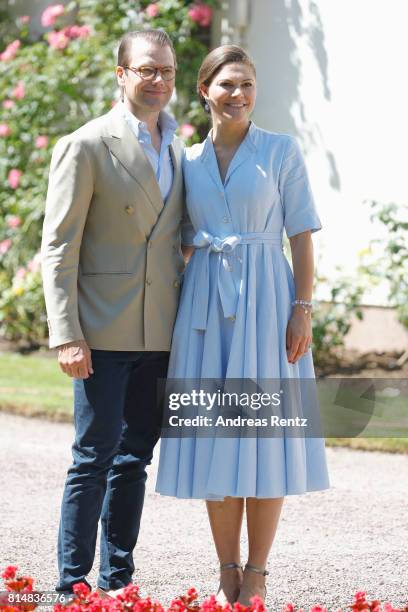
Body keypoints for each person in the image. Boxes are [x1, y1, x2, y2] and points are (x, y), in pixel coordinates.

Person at [156, 45, 330, 606]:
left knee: (266, 435)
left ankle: (257, 570)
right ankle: (226, 566)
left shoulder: (280, 151)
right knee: (216, 437)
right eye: (227, 84)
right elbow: (177, 239)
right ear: (205, 90)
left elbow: (301, 235)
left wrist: (302, 310)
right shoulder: (186, 160)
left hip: (269, 306)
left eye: (248, 84)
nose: (239, 94)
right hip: (207, 309)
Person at [41, 29, 186, 596]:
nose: (158, 81)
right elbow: (59, 246)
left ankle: (117, 583)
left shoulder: (177, 147)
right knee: (92, 459)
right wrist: (65, 334)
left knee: (133, 463)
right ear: (121, 74)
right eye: (147, 70)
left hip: (159, 333)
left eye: (167, 71)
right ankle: (71, 586)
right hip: (99, 330)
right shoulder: (85, 144)